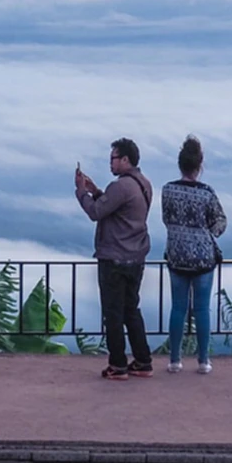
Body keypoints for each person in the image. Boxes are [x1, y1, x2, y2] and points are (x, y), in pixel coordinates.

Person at [75, 137, 154, 381]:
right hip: (136, 257)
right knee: (131, 310)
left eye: (113, 158)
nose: (111, 163)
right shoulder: (143, 184)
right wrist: (97, 191)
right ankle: (143, 361)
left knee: (113, 313)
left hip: (114, 259)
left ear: (125, 160)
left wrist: (81, 192)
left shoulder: (121, 186)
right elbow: (116, 207)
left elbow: (96, 212)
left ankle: (117, 365)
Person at [161, 135, 227, 375]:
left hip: (176, 255)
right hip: (203, 258)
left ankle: (175, 360)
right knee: (201, 309)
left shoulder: (168, 190)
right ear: (200, 166)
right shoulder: (207, 193)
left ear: (180, 164)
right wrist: (207, 234)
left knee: (177, 307)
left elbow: (166, 219)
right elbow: (220, 222)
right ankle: (203, 361)